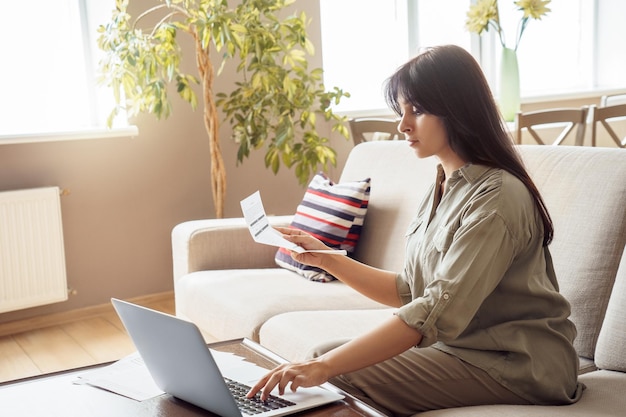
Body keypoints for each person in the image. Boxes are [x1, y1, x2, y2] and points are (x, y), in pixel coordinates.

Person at [247, 44, 583, 415]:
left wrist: (325, 368)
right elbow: (409, 290)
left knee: (332, 374)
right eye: (402, 110)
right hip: (462, 349)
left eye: (417, 110)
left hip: (518, 365)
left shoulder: (497, 198)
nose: (403, 125)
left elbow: (432, 309)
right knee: (320, 358)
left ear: (458, 108)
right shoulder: (443, 183)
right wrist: (324, 258)